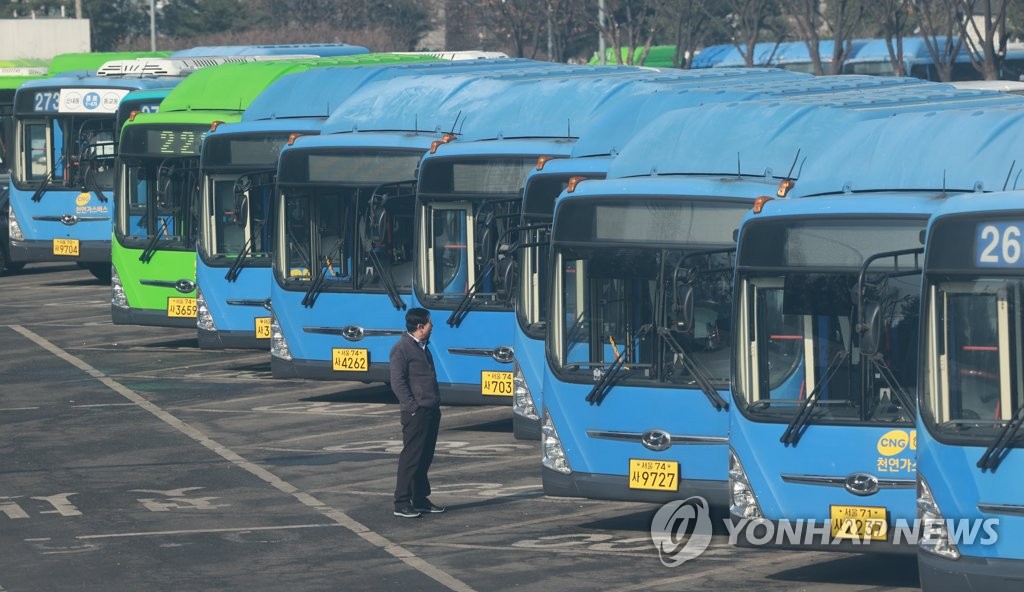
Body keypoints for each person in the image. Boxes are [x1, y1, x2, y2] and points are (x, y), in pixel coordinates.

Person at [390, 307, 445, 518]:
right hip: (416, 412)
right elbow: (397, 382)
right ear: (420, 326)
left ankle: (420, 498)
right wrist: (412, 406)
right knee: (411, 457)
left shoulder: (424, 347)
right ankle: (402, 501)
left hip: (431, 409)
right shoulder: (402, 348)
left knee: (425, 457)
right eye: (430, 323)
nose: (433, 327)